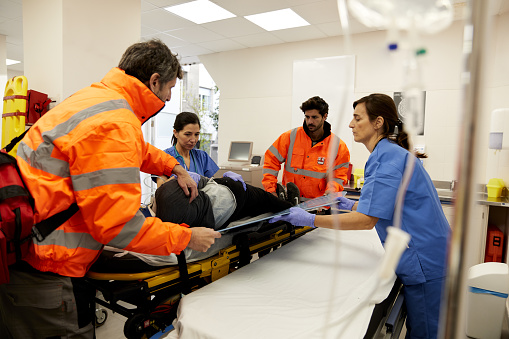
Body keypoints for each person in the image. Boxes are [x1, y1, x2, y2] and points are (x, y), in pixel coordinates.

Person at [0, 39, 221, 339]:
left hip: (25, 250)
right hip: (47, 271)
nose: (169, 97)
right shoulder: (116, 123)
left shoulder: (94, 100)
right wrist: (187, 237)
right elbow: (118, 227)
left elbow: (132, 149)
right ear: (154, 82)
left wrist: (173, 167)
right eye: (169, 88)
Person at [270, 93, 450, 339]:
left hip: (426, 259)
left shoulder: (387, 159)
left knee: (425, 332)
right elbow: (387, 205)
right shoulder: (388, 154)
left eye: (357, 118)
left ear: (378, 122)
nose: (350, 124)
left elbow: (367, 221)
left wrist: (310, 219)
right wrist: (353, 205)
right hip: (427, 253)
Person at [262, 96, 350, 203]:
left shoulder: (338, 146)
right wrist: (271, 190)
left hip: (319, 207)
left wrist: (330, 192)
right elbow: (271, 161)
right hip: (291, 204)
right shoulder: (290, 137)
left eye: (314, 117)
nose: (310, 121)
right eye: (307, 117)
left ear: (324, 116)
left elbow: (338, 176)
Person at [155, 173, 296, 231]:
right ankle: (290, 206)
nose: (193, 139)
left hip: (222, 197)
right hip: (227, 196)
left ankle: (286, 204)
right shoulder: (162, 194)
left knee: (264, 202)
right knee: (265, 201)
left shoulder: (164, 203)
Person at [155, 112, 219, 187]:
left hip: (201, 198)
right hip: (176, 199)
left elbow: (213, 185)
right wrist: (177, 177)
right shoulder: (164, 157)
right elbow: (161, 188)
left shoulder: (202, 157)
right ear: (176, 133)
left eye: (196, 134)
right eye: (188, 134)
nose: (193, 140)